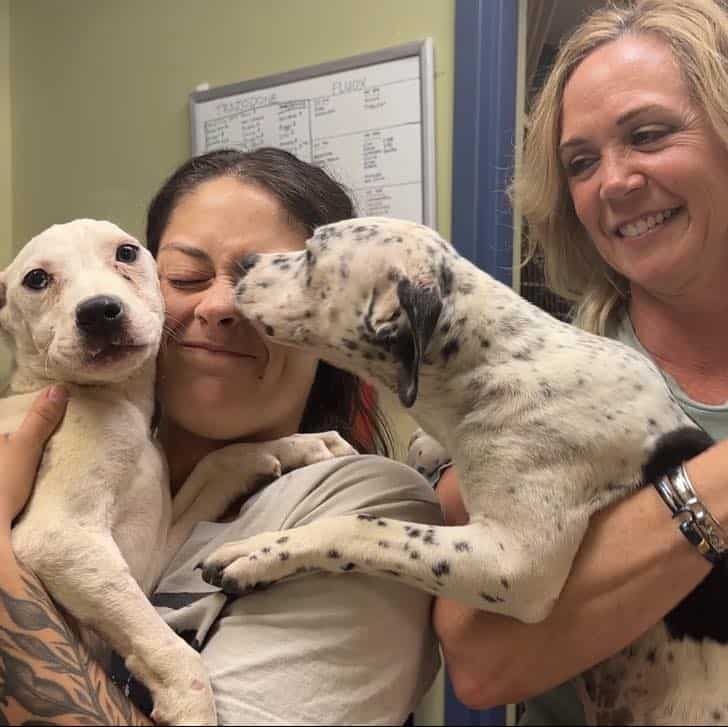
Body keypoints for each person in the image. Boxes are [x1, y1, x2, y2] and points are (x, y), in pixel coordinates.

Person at [0, 147, 442, 724]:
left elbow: (63, 543)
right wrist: (230, 468)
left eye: (266, 278)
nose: (219, 305)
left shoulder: (363, 513)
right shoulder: (79, 427)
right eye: (185, 275)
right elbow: (123, 546)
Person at [431, 0, 728, 723]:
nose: (614, 182)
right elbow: (480, 659)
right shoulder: (541, 390)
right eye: (581, 162)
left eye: (649, 135)